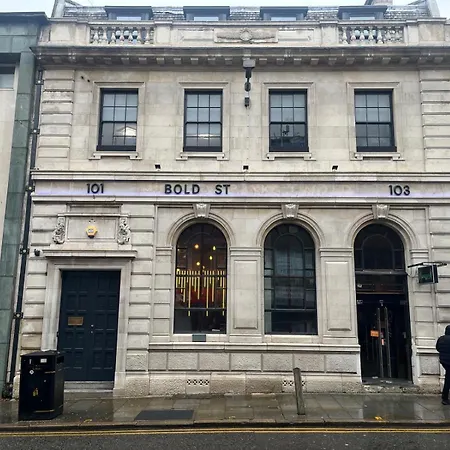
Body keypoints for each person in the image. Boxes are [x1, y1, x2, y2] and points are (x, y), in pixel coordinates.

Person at [436, 325, 450, 405]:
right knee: (448, 380)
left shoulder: (441, 339)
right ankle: (445, 398)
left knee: (448, 378)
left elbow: (437, 348)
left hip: (444, 361)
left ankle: (445, 398)